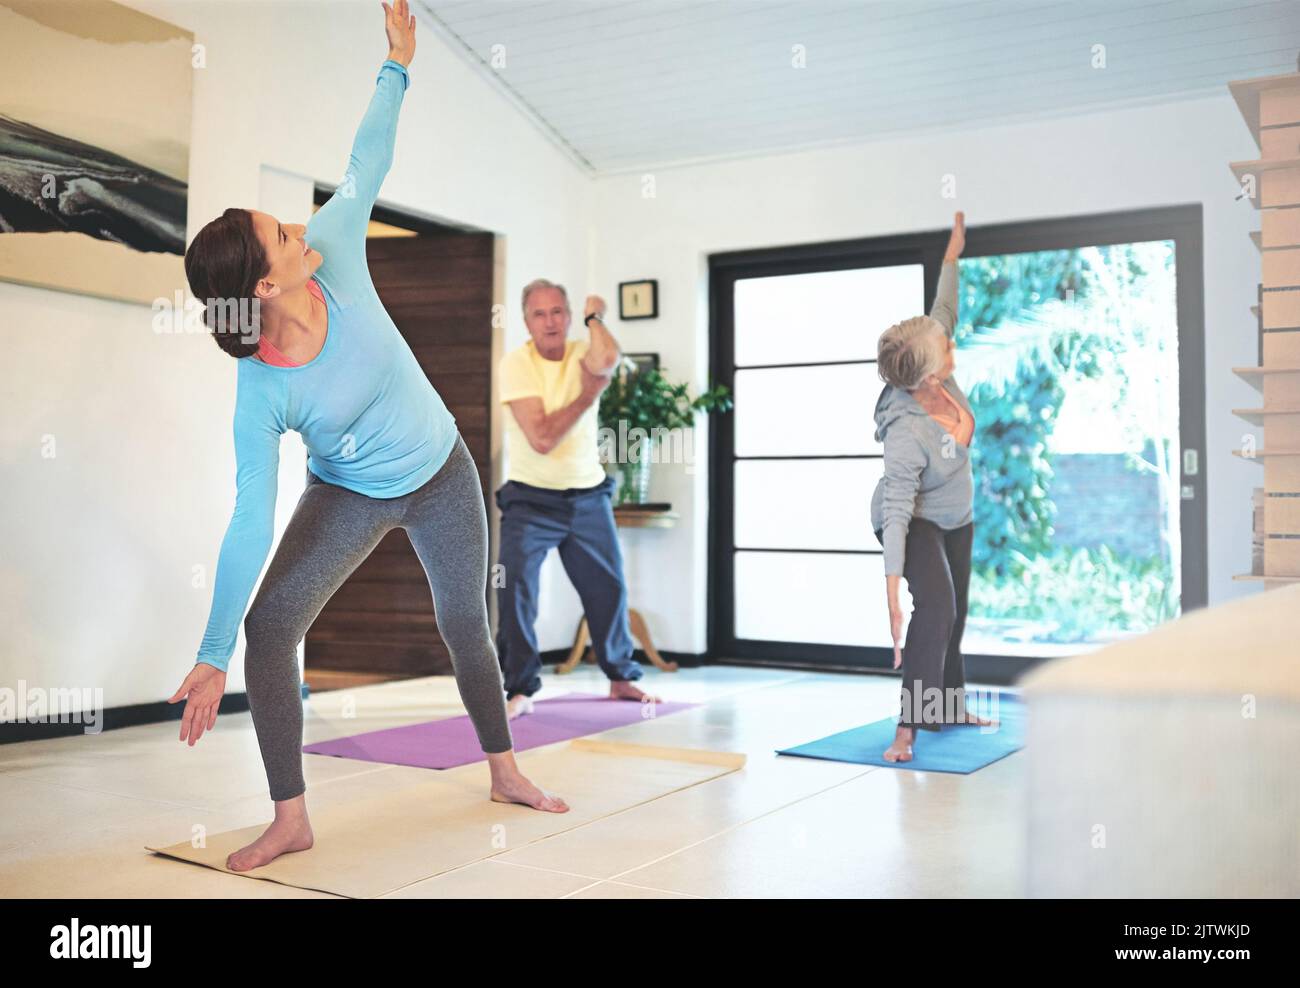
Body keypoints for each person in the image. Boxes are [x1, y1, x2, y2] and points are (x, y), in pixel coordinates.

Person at [169, 0, 567, 875]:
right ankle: (290, 817)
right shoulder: (259, 388)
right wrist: (208, 652)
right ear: (264, 286)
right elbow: (250, 517)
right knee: (270, 629)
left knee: (466, 619)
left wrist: (398, 61)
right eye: (281, 233)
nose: (298, 226)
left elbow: (366, 159)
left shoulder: (337, 248)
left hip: (439, 467)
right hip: (347, 490)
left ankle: (503, 769)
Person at [495, 281, 662, 718]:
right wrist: (589, 394)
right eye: (539, 314)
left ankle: (622, 678)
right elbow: (543, 437)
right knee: (514, 588)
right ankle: (521, 687)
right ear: (526, 321)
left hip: (588, 495)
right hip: (530, 500)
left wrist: (596, 318)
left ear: (569, 316)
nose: (550, 322)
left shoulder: (579, 352)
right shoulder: (516, 364)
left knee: (608, 588)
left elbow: (608, 359)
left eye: (558, 312)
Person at [870, 211, 997, 764]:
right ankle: (908, 727)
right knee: (936, 608)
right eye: (945, 350)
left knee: (957, 610)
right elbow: (897, 509)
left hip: (956, 514)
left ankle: (948, 707)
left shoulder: (935, 363)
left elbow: (944, 309)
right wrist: (893, 587)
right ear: (928, 378)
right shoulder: (906, 432)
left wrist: (952, 254)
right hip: (912, 518)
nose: (951, 346)